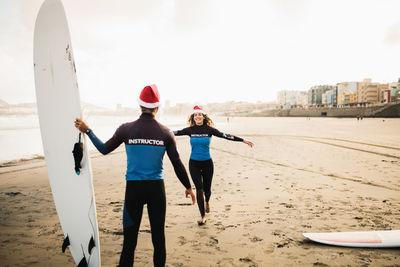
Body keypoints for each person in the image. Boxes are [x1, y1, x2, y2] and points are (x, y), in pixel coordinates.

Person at [74, 84, 196, 267]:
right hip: (156, 190)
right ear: (157, 107)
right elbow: (177, 163)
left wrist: (88, 131)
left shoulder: (126, 129)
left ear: (140, 105)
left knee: (129, 242)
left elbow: (104, 149)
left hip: (133, 191)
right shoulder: (166, 133)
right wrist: (188, 187)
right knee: (158, 240)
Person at [173, 106, 253, 225]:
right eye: (195, 115)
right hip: (193, 163)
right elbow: (174, 132)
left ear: (204, 117)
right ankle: (202, 216)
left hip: (207, 164)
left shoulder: (210, 130)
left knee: (207, 190)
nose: (198, 116)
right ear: (193, 117)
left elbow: (225, 135)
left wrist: (242, 140)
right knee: (199, 189)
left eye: (200, 114)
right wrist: (157, 131)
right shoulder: (190, 130)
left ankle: (207, 202)